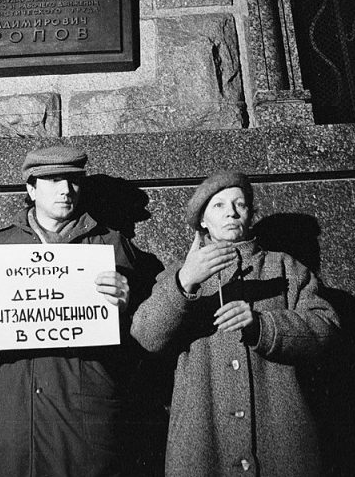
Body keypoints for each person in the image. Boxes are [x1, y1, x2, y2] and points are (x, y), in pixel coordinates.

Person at [129, 171, 339, 477]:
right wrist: (184, 281)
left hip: (280, 441)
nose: (231, 212)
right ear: (202, 221)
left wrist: (263, 326)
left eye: (240, 204)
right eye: (219, 206)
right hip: (202, 444)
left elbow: (326, 327)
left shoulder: (286, 267)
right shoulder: (177, 274)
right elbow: (145, 336)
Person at [0, 146, 142, 476]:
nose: (66, 190)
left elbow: (146, 335)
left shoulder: (111, 245)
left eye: (72, 180)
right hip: (9, 422)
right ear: (31, 188)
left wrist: (129, 303)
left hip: (80, 421)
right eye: (53, 180)